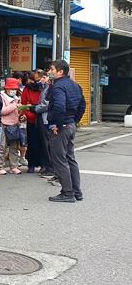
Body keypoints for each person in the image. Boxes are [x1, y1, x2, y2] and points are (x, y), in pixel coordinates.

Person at [46, 60, 86, 203]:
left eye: (51, 69)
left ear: (60, 72)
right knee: (70, 158)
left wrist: (58, 123)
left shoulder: (58, 87)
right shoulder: (75, 85)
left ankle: (67, 193)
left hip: (61, 127)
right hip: (70, 125)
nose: (49, 72)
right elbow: (82, 104)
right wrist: (74, 121)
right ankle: (77, 191)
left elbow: (59, 107)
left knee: (59, 159)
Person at [21, 71, 45, 173]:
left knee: (43, 142)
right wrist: (26, 113)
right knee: (31, 142)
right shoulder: (27, 89)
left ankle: (44, 164)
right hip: (30, 119)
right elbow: (23, 102)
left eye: (31, 80)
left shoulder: (43, 88)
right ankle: (31, 164)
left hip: (42, 118)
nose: (30, 83)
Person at [0, 78, 22, 175]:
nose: (13, 91)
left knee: (14, 147)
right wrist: (14, 106)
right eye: (11, 89)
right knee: (2, 146)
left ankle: (14, 166)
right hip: (4, 124)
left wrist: (21, 115)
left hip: (14, 124)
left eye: (15, 89)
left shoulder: (16, 98)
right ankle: (0, 166)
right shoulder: (1, 97)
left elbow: (17, 111)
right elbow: (2, 111)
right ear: (6, 89)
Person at [34, 70, 54, 177]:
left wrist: (35, 109)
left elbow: (46, 104)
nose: (41, 80)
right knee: (44, 143)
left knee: (48, 143)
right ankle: (47, 165)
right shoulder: (44, 88)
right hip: (42, 118)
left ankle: (51, 166)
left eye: (44, 77)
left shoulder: (49, 88)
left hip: (46, 118)